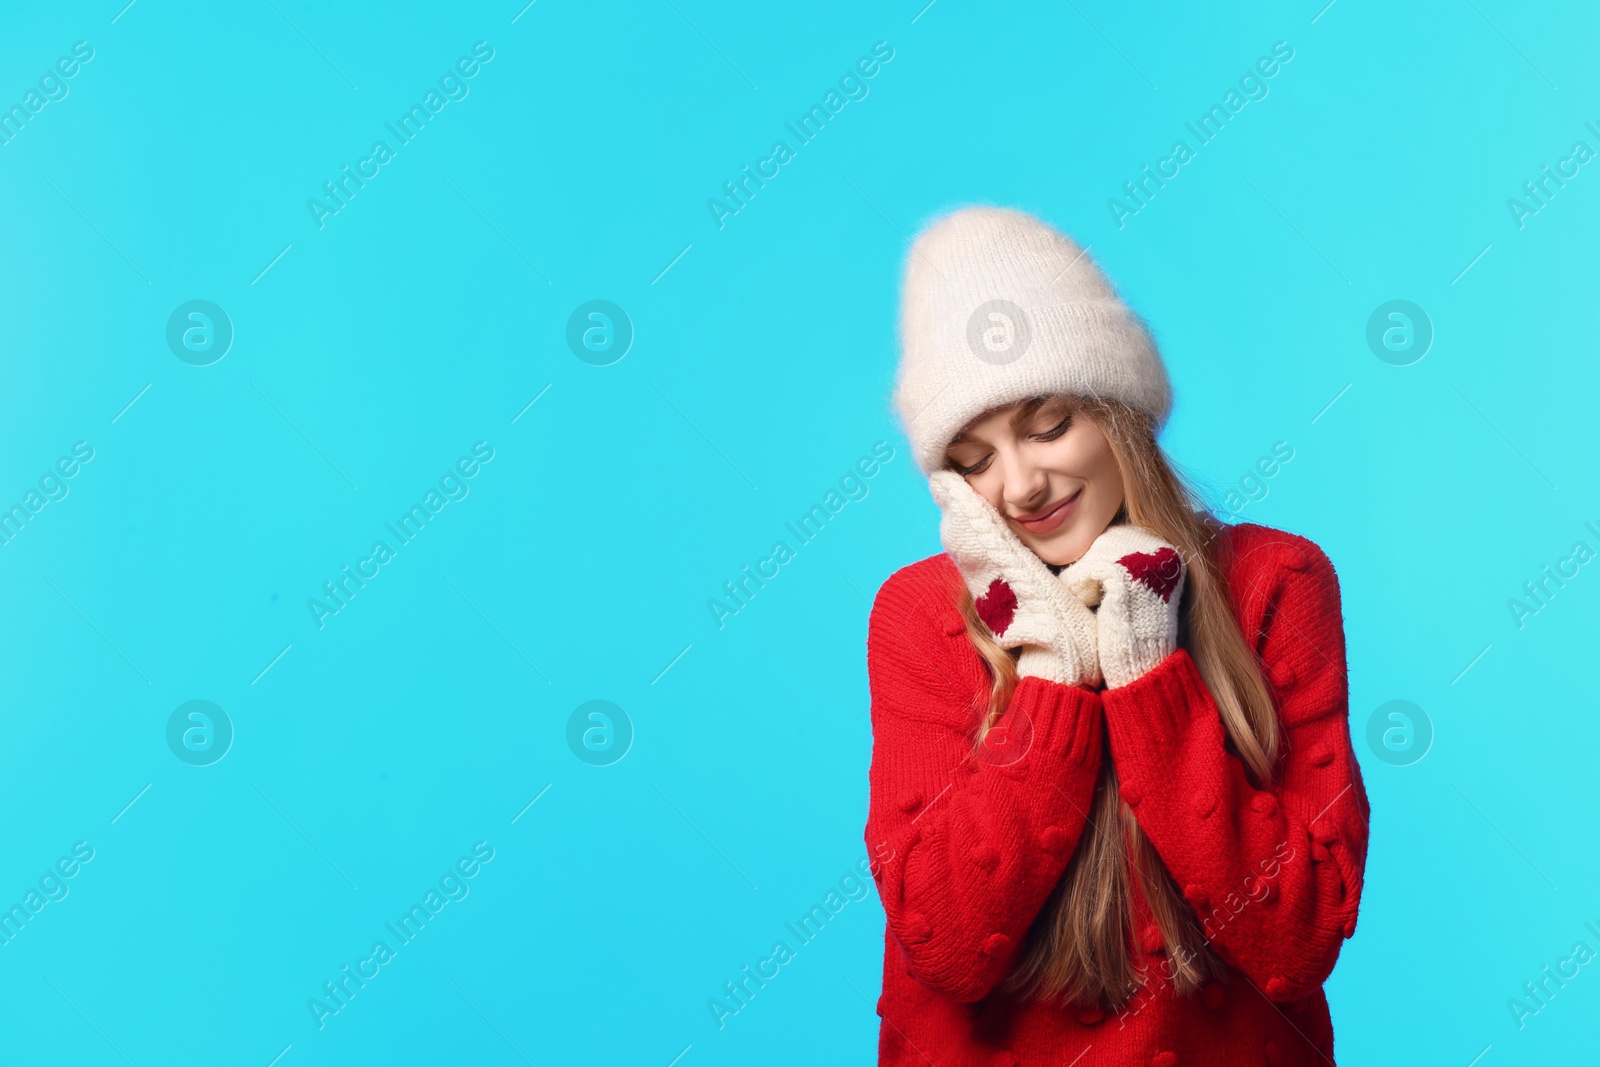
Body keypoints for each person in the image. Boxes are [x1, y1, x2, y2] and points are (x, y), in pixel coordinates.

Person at [864, 206, 1371, 1065]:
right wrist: (1053, 671)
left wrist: (1147, 674)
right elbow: (947, 944)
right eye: (975, 458)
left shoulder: (1277, 583)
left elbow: (1299, 939)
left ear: (1120, 412)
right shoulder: (919, 615)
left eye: (1049, 424)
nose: (1021, 486)